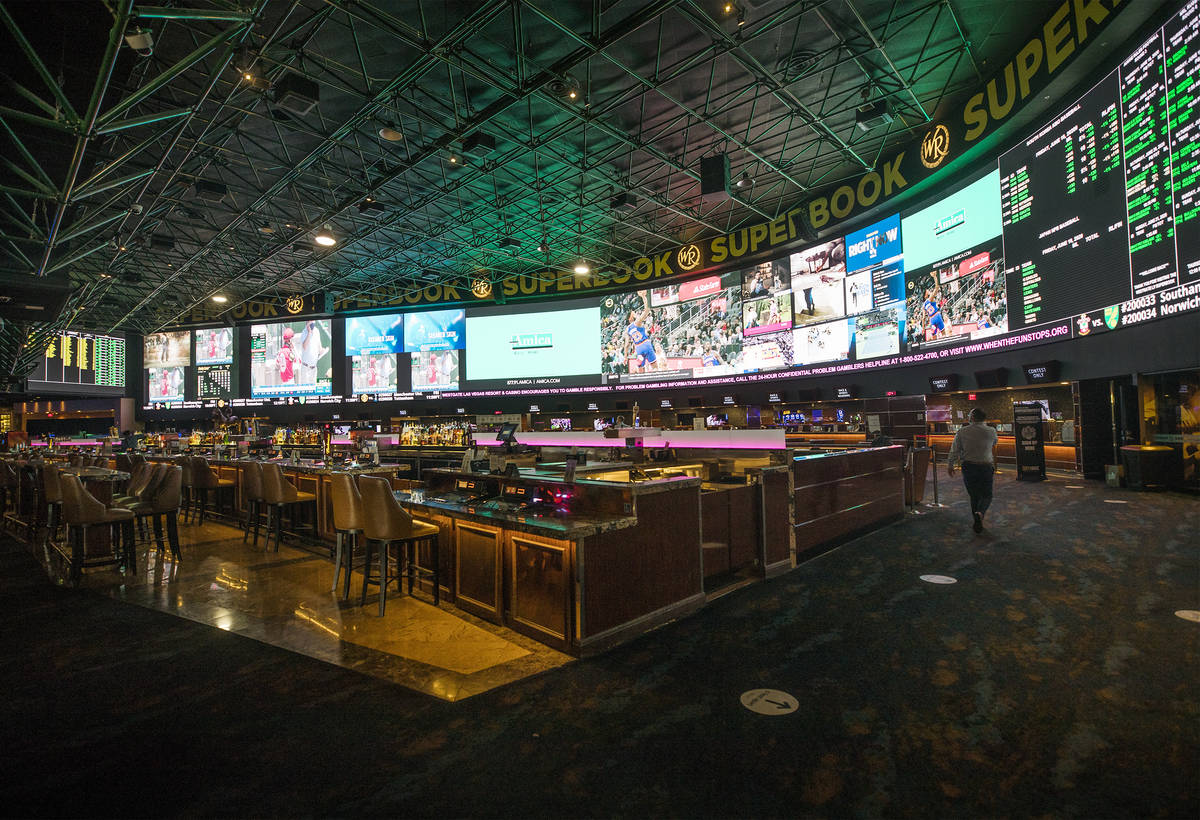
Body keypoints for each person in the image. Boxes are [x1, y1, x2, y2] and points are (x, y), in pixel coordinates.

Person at [947, 408, 999, 533]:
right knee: (987, 495)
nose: (968, 417)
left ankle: (977, 522)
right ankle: (980, 513)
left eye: (969, 415)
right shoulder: (991, 431)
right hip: (986, 466)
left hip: (969, 467)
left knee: (974, 496)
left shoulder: (962, 431)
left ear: (973, 417)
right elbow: (994, 443)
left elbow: (955, 449)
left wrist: (950, 464)